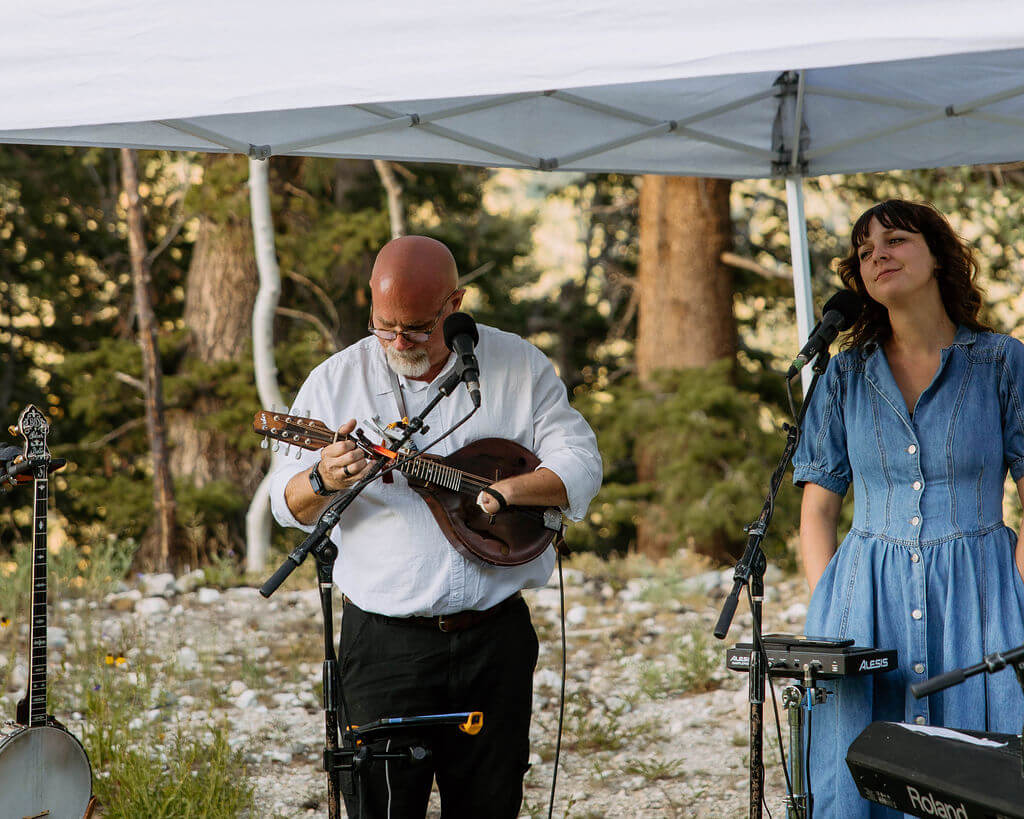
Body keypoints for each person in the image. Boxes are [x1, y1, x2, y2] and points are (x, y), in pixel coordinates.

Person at [268, 235, 602, 819]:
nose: (399, 343)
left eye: (419, 329)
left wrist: (509, 492)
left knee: (489, 803)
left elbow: (580, 460)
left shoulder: (517, 364)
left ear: (456, 303)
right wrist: (322, 478)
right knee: (382, 806)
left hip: (493, 639)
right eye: (384, 326)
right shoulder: (334, 380)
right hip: (385, 647)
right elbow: (284, 500)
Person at [792, 199, 1024, 817]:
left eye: (894, 240)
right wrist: (830, 621)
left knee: (987, 775)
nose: (878, 257)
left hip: (983, 595)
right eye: (865, 251)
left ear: (939, 256)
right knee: (862, 782)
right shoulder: (841, 377)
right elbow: (817, 511)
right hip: (863, 601)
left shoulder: (1002, 362)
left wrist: (1017, 600)